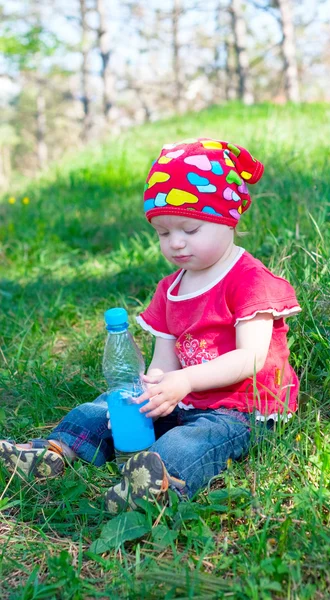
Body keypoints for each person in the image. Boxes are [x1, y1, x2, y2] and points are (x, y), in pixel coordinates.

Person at [0, 138, 301, 513]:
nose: (175, 243)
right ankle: (55, 453)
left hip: (238, 408)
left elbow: (252, 358)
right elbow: (164, 361)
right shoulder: (170, 289)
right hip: (184, 396)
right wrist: (149, 394)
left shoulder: (249, 280)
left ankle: (155, 486)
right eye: (163, 232)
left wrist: (186, 382)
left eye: (189, 229)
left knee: (187, 442)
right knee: (101, 409)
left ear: (229, 219)